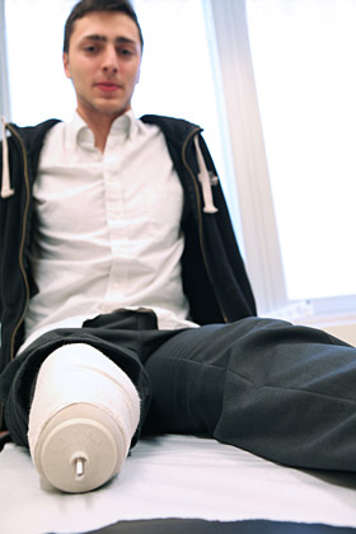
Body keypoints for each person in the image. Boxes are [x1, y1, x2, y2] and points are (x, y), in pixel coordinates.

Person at [1, 0, 356, 493]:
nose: (110, 61)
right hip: (67, 339)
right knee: (77, 425)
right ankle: (85, 406)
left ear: (139, 63)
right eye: (93, 47)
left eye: (125, 49)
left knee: (274, 354)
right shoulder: (22, 155)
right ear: (66, 61)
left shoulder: (179, 147)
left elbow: (223, 262)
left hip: (169, 340)